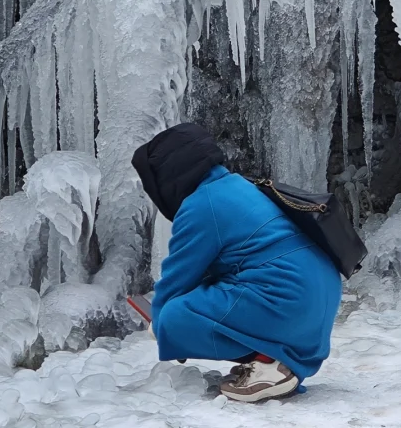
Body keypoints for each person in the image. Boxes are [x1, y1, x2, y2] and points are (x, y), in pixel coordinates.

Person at [130, 123, 343, 402]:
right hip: (317, 295)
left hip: (288, 299)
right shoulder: (239, 184)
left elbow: (176, 278)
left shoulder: (201, 204)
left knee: (173, 315)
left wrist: (163, 326)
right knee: (208, 299)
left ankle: (270, 364)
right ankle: (275, 358)